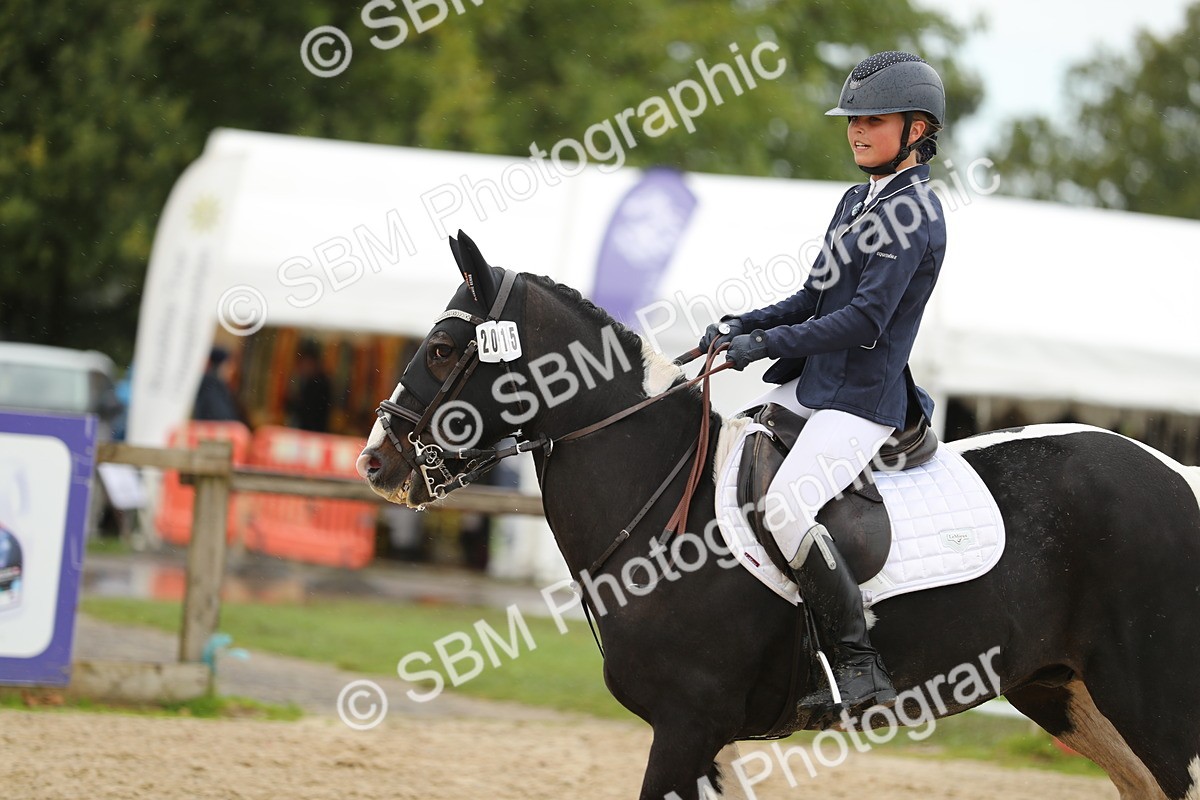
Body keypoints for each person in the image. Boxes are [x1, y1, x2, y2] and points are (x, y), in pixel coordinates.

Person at [700, 51, 947, 721]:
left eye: (874, 119)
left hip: (863, 401)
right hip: (815, 384)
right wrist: (739, 326)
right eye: (853, 120)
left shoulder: (915, 213)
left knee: (785, 508)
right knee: (726, 448)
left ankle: (855, 661)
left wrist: (763, 346)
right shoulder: (855, 200)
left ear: (917, 130)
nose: (858, 131)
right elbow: (813, 297)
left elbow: (864, 319)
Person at [286, 340, 332, 433]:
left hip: (313, 431)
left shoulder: (320, 383)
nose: (304, 367)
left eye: (307, 363)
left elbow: (310, 411)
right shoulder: (304, 380)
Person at [193, 346, 242, 422]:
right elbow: (221, 418)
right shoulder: (212, 386)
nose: (231, 371)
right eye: (229, 365)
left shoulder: (211, 385)